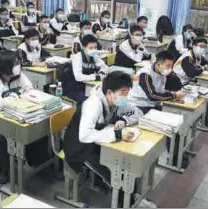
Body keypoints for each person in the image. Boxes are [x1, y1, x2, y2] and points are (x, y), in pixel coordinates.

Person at [63, 72, 147, 201]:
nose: (125, 97)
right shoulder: (93, 105)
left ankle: (131, 197)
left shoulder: (117, 101)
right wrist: (117, 134)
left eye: (127, 93)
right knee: (113, 172)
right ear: (109, 92)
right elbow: (84, 136)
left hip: (99, 144)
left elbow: (138, 113)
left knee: (125, 164)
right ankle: (126, 203)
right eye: (123, 92)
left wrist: (125, 120)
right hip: (79, 148)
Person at [0, 50, 48, 184]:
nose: (18, 66)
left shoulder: (16, 74)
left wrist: (19, 95)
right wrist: (15, 96)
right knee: (0, 137)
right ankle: (4, 169)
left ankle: (37, 161)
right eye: (15, 63)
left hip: (13, 113)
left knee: (34, 127)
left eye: (18, 62)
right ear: (4, 66)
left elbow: (29, 89)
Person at [67, 35, 108, 103]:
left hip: (88, 85)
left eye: (95, 47)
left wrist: (101, 73)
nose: (93, 50)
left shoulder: (94, 56)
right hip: (74, 88)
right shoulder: (77, 57)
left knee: (102, 99)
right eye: (90, 48)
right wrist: (97, 77)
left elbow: (105, 67)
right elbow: (78, 77)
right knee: (91, 102)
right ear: (84, 47)